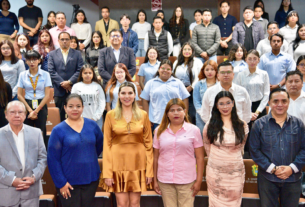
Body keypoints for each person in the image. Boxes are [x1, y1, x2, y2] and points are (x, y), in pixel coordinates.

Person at [250, 88, 305, 207]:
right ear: (269, 103)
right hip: (267, 178)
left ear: (288, 102)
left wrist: (292, 168)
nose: (280, 104)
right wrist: (273, 168)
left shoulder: (298, 124)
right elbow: (254, 150)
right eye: (275, 101)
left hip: (293, 178)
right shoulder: (259, 124)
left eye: (284, 101)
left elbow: (304, 149)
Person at [101, 82, 153, 207]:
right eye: (123, 93)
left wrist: (149, 171)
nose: (127, 96)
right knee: (122, 203)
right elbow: (106, 145)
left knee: (135, 203)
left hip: (138, 163)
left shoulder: (143, 115)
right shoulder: (110, 115)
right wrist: (107, 173)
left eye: (130, 93)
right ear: (118, 95)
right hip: (117, 164)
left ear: (135, 95)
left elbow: (149, 144)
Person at [48, 94, 103, 207]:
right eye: (71, 106)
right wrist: (61, 183)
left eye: (78, 106)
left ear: (83, 108)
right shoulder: (58, 130)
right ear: (65, 108)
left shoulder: (92, 125)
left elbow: (99, 146)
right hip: (68, 183)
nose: (75, 109)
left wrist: (88, 158)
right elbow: (53, 160)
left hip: (91, 180)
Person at [153, 98, 204, 207]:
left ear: (185, 111)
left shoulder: (194, 130)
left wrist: (199, 181)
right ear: (167, 114)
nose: (176, 113)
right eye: (172, 110)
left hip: (186, 180)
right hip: (165, 180)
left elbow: (200, 158)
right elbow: (156, 157)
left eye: (179, 109)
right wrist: (155, 180)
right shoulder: (159, 131)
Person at [203, 91, 249, 206]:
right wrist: (218, 161)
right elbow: (207, 146)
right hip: (215, 173)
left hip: (235, 174)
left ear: (233, 103)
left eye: (228, 103)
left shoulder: (242, 125)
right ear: (216, 106)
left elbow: (242, 146)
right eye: (221, 104)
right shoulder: (210, 125)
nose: (225, 107)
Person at [0, 100, 47, 207]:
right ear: (6, 115)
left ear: (25, 115)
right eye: (12, 112)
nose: (17, 115)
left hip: (31, 192)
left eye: (20, 112)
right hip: (7, 193)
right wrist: (12, 180)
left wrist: (34, 177)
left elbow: (43, 158)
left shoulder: (36, 133)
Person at [141, 59, 190, 131]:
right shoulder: (151, 83)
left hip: (176, 120)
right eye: (163, 68)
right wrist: (147, 117)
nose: (165, 70)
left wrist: (184, 115)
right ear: (158, 69)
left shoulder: (178, 82)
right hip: (156, 121)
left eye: (168, 69)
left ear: (171, 71)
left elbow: (185, 99)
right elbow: (144, 100)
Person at [17, 50, 51, 148]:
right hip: (27, 104)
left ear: (39, 61)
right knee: (27, 131)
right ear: (26, 61)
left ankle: (42, 154)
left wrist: (35, 111)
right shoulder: (22, 75)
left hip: (41, 104)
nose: (32, 62)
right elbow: (19, 95)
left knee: (42, 130)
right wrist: (29, 110)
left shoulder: (45, 74)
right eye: (29, 60)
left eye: (34, 59)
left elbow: (47, 95)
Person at [48, 32, 84, 121]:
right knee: (60, 116)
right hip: (59, 90)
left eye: (67, 39)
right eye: (62, 39)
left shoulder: (77, 53)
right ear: (58, 41)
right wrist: (63, 83)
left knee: (74, 115)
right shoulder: (52, 54)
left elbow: (80, 70)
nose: (64, 41)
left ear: (70, 40)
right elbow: (51, 71)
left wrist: (69, 82)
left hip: (73, 88)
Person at [173, 42, 203, 124]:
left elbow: (199, 76)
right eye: (185, 49)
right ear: (181, 50)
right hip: (178, 90)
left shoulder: (197, 61)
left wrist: (191, 87)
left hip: (192, 90)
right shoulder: (176, 62)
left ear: (192, 51)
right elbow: (173, 76)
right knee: (179, 112)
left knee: (192, 114)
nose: (187, 51)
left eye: (189, 49)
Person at [71, 64, 106, 129]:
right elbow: (73, 103)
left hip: (96, 120)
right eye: (85, 73)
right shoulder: (76, 87)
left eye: (90, 73)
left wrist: (95, 117)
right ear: (81, 74)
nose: (88, 75)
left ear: (93, 74)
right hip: (80, 119)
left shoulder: (98, 86)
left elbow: (102, 103)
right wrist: (80, 117)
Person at [193, 60, 218, 135]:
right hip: (201, 116)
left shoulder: (220, 84)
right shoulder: (199, 84)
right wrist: (203, 115)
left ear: (216, 71)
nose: (209, 72)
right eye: (207, 69)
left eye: (212, 69)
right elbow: (197, 102)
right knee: (202, 138)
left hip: (217, 115)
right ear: (203, 71)